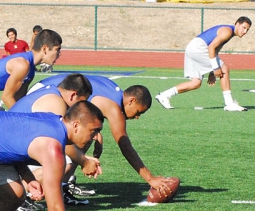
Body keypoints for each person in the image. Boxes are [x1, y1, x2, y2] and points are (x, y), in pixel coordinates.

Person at [38, 73, 173, 197]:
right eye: (138, 112)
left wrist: (96, 133)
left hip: (44, 88)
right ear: (131, 101)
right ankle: (40, 185)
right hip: (47, 93)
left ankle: (63, 184)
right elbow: (125, 145)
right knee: (66, 141)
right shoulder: (114, 108)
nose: (137, 117)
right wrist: (150, 178)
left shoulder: (113, 89)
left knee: (83, 138)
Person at [8, 73, 95, 211]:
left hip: (14, 146)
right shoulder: (56, 102)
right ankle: (15, 196)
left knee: (69, 151)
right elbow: (60, 141)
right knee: (61, 161)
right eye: (81, 102)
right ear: (73, 95)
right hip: (9, 152)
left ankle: (58, 188)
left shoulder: (52, 93)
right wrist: (84, 161)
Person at [155, 16, 251, 112]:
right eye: (244, 27)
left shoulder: (228, 32)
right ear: (237, 24)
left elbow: (215, 50)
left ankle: (164, 95)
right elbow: (211, 48)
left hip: (192, 47)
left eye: (247, 29)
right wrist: (215, 68)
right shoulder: (228, 31)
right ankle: (229, 103)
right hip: (198, 48)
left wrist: (212, 71)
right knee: (224, 68)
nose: (245, 31)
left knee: (195, 83)